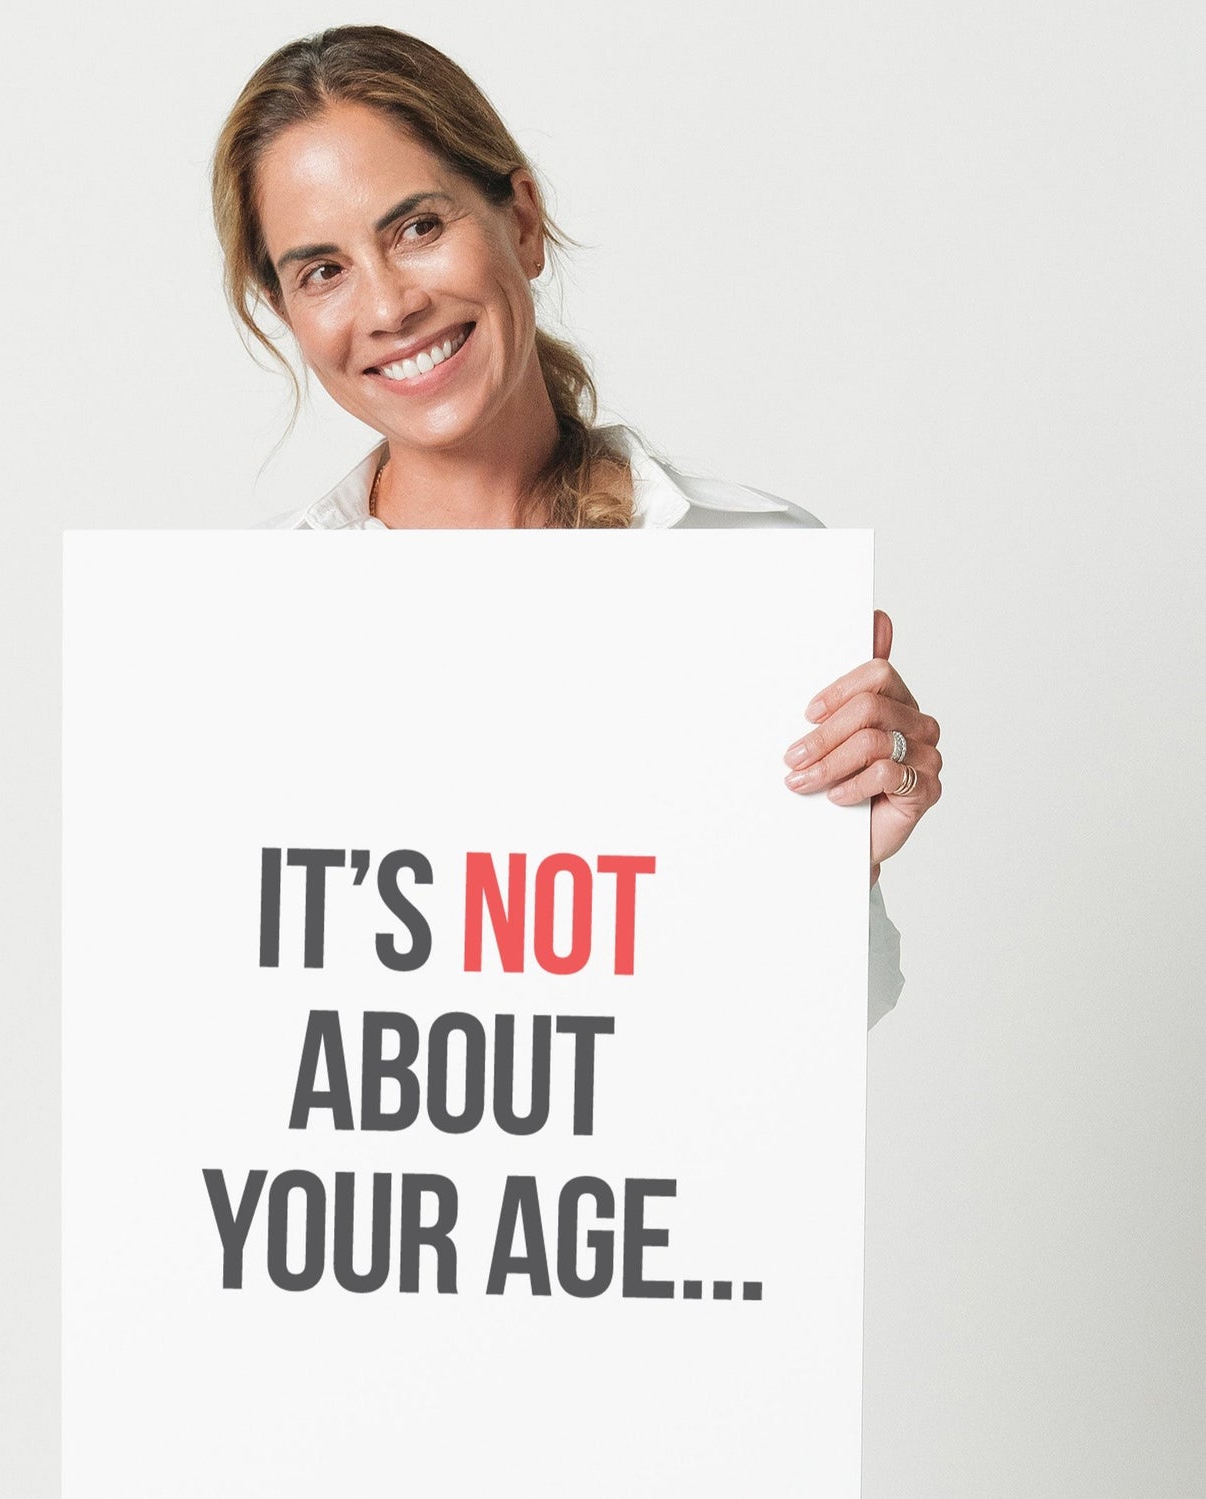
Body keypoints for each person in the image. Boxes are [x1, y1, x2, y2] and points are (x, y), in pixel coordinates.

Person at [210, 24, 941, 1025]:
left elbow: (823, 1039)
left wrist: (830, 868)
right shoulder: (236, 632)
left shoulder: (747, 569)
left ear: (520, 220)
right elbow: (218, 1034)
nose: (387, 305)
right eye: (321, 270)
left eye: (416, 226)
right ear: (285, 312)